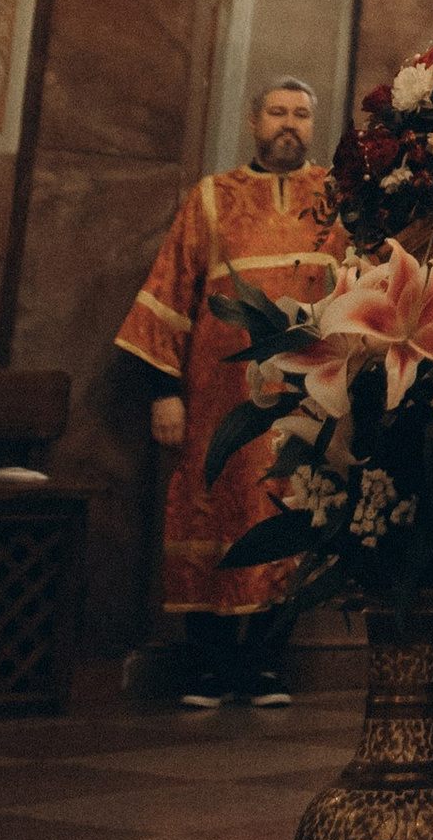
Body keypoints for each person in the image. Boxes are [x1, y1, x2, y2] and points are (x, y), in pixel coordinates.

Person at [117, 78, 344, 706]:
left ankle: (267, 665)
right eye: (277, 112)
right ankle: (211, 666)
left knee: (294, 508)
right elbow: (170, 293)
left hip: (305, 397)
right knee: (212, 508)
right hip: (218, 398)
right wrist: (166, 391)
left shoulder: (335, 199)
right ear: (254, 121)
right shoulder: (212, 198)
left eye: (301, 114)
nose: (289, 124)